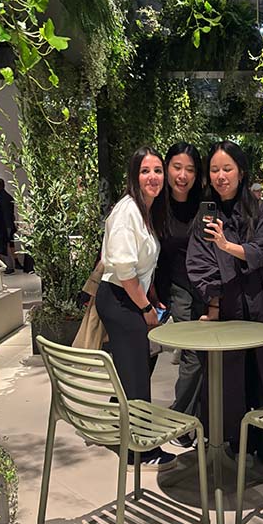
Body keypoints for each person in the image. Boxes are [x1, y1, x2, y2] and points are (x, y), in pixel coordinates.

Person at [188, 140, 263, 471]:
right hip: (227, 305)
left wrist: (227, 245)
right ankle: (236, 443)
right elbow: (199, 261)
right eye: (214, 170)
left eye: (227, 168)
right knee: (231, 378)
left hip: (261, 300)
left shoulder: (261, 209)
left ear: (241, 171)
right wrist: (213, 302)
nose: (220, 176)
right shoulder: (206, 212)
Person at [94, 146, 173, 470]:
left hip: (129, 296)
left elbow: (142, 266)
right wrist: (145, 307)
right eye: (145, 171)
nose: (153, 177)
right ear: (134, 176)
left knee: (134, 368)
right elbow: (125, 272)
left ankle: (118, 427)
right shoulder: (127, 212)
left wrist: (151, 295)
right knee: (137, 375)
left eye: (157, 170)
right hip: (120, 298)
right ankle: (139, 451)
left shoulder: (145, 211)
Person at [152, 143, 206, 443]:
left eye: (190, 169)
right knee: (193, 356)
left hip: (206, 290)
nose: (182, 175)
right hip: (175, 290)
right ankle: (182, 423)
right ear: (167, 167)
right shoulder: (156, 204)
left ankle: (194, 418)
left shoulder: (204, 204)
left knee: (203, 358)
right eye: (177, 167)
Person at [0, 178, 18, 273]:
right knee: (8, 245)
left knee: (4, 245)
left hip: (2, 224)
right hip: (9, 224)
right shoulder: (9, 197)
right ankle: (11, 265)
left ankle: (9, 266)